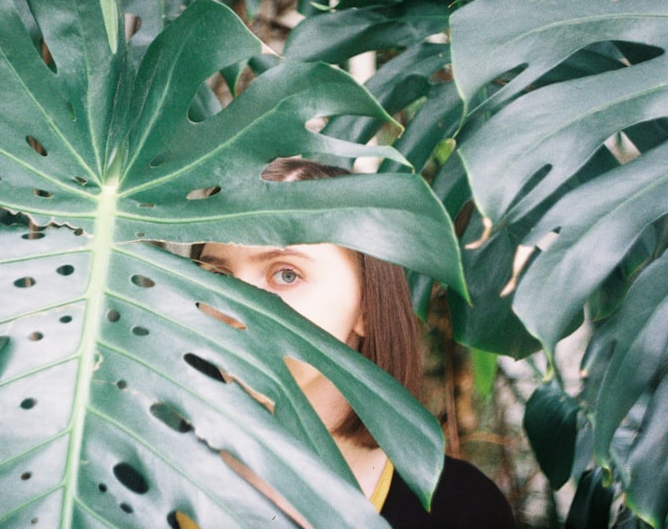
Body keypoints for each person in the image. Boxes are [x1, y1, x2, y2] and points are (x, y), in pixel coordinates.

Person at [192, 157, 516, 528]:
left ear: (366, 305)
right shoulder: (134, 481)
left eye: (285, 274)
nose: (236, 307)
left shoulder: (460, 509)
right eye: (217, 276)